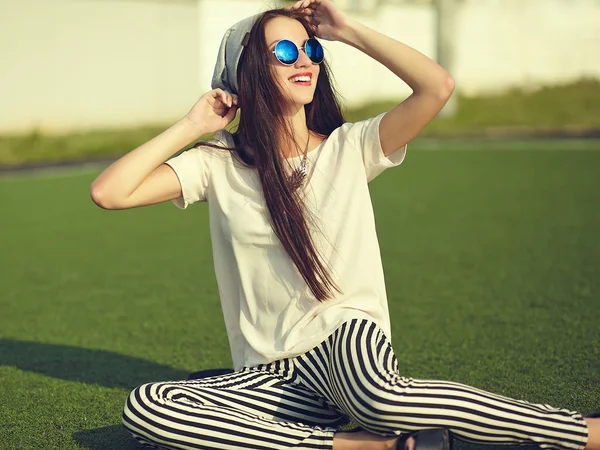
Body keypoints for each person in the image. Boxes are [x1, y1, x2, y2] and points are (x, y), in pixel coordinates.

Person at [90, 1, 599, 449]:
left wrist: (347, 31)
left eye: (310, 49)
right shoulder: (218, 162)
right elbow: (109, 193)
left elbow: (436, 87)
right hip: (271, 375)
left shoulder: (349, 146)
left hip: (347, 344)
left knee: (378, 396)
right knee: (148, 407)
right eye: (285, 53)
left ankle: (581, 432)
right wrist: (194, 125)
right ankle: (357, 446)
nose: (305, 60)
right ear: (248, 71)